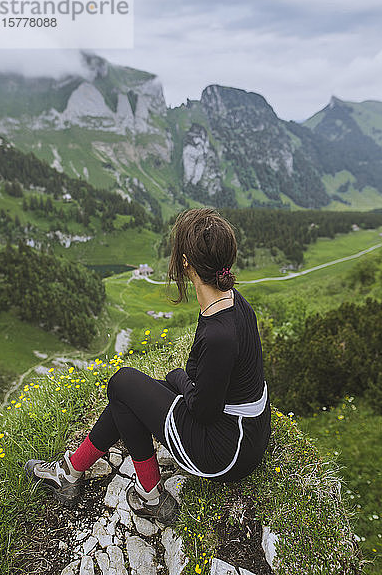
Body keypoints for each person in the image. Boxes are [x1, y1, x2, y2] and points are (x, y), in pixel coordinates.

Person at [24, 207, 271, 525]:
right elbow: (207, 378)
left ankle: (150, 495)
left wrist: (179, 379)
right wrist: (185, 381)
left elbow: (203, 411)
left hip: (226, 453)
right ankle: (71, 471)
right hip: (248, 433)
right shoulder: (233, 302)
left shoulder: (219, 334)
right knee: (127, 397)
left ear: (186, 263)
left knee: (122, 382)